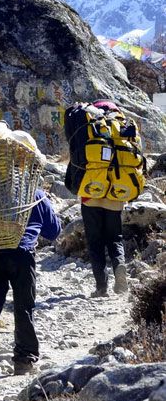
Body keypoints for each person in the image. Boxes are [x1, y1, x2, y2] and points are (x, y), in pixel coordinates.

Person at [0, 188, 61, 380]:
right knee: (23, 306)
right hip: (22, 254)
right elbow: (53, 231)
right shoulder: (36, 194)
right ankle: (23, 361)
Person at [78, 100, 129, 297]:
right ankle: (120, 271)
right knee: (115, 237)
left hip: (91, 194)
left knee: (95, 241)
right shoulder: (121, 128)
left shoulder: (91, 126)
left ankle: (101, 287)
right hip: (116, 194)